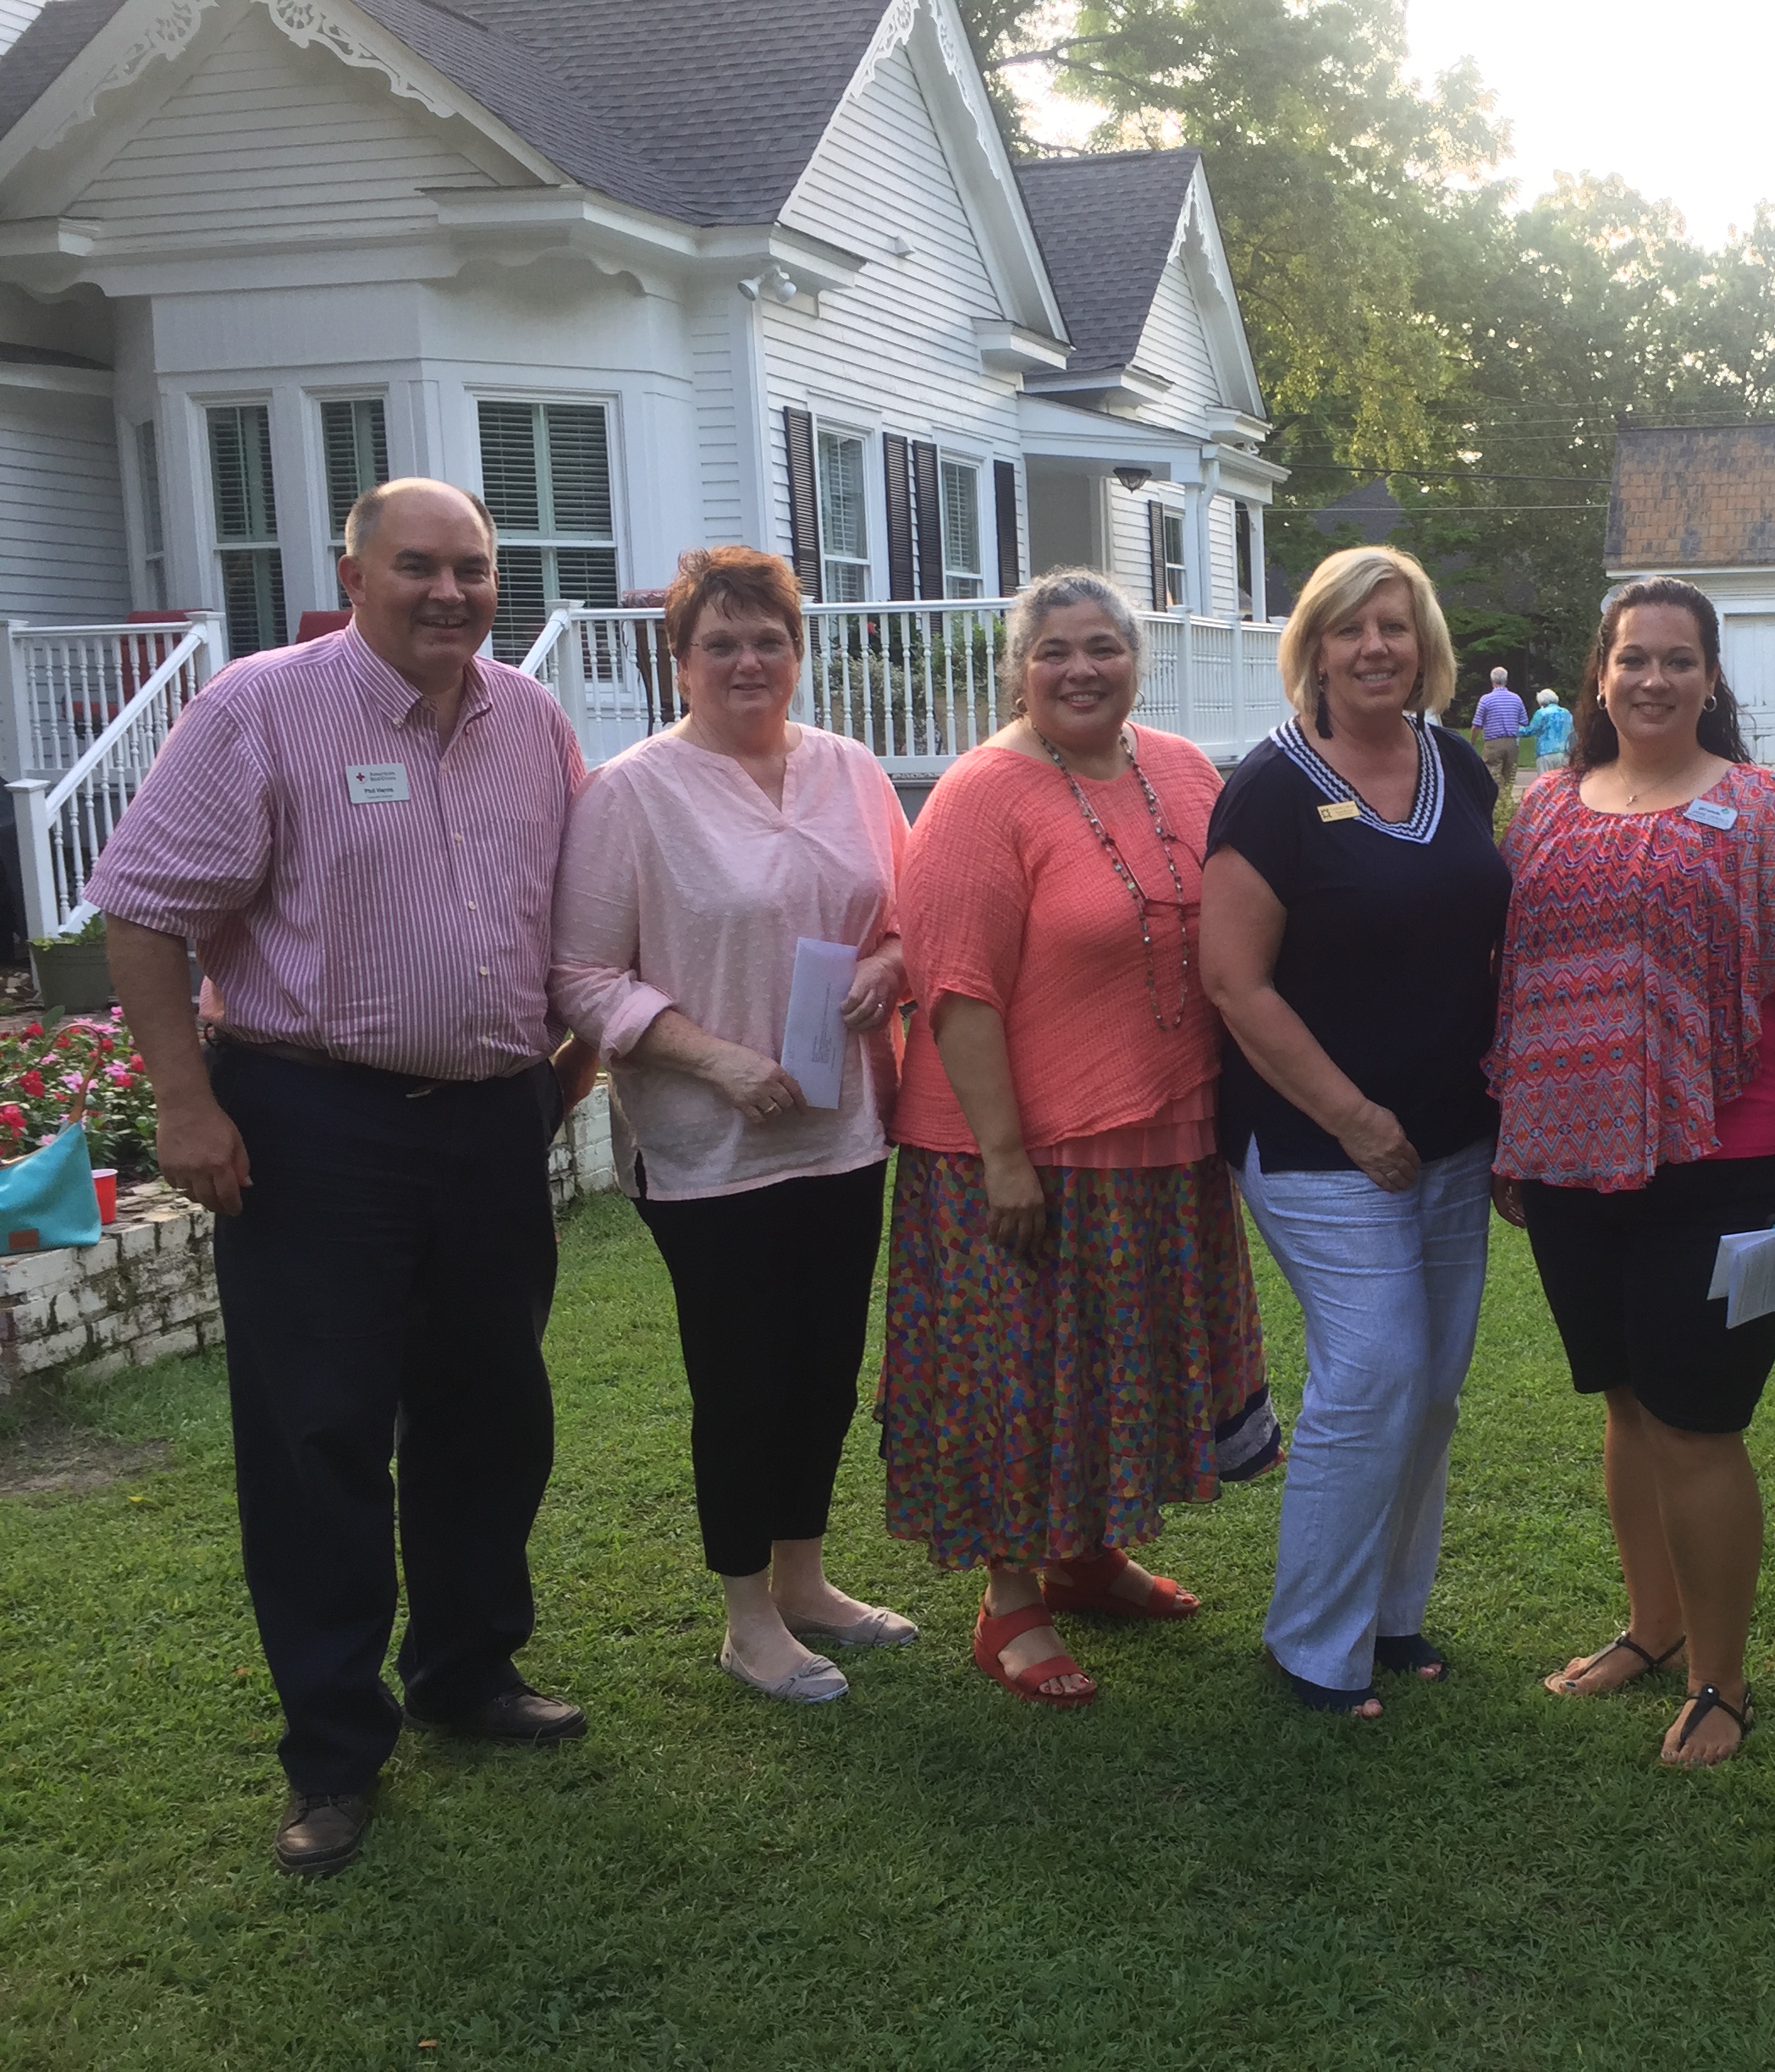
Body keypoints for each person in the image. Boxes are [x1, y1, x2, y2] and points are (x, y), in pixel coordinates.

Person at [89, 478, 598, 1877]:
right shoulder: (262, 707)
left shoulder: (530, 721)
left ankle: (465, 1666)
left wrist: (568, 1046)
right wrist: (184, 1104)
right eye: (419, 566)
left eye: (474, 569)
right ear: (353, 573)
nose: (451, 592)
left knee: (491, 1403)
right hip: (316, 1121)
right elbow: (142, 909)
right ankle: (330, 1748)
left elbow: (563, 902)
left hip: (491, 1121)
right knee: (318, 1433)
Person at [1486, 576, 1775, 1767]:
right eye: (1634, 657)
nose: (1654, 679)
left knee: (1698, 1424)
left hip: (1727, 1163)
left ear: (1711, 678)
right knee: (1627, 1403)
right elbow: (1511, 974)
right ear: (1599, 674)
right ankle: (1650, 1630)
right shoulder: (1541, 809)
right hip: (1568, 1164)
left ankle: (1721, 1680)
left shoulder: (1765, 808)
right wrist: (1511, 1121)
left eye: (1679, 659)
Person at [883, 568, 1265, 1708]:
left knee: (1116, 1364)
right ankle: (1009, 1608)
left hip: (1161, 1133)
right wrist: (1004, 1158)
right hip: (1019, 1151)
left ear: (1136, 659)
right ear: (1017, 668)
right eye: (1053, 652)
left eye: (1102, 646)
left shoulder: (1187, 770)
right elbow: (951, 989)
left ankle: (1087, 1556)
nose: (1080, 669)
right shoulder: (980, 794)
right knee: (1023, 1371)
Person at [551, 547, 915, 1706]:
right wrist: (712, 1060)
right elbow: (581, 975)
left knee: (823, 1368)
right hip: (712, 1148)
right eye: (722, 641)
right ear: (681, 662)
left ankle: (807, 1581)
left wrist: (889, 971)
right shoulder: (631, 794)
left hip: (843, 1125)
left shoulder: (853, 770)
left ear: (798, 654)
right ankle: (747, 1617)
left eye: (770, 639)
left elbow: (911, 917)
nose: (749, 660)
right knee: (744, 1378)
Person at [1203, 544, 1510, 1718]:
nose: (1375, 647)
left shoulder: (1456, 766)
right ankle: (1309, 1645)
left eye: (1395, 625)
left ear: (1425, 644)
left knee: (1429, 1386)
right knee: (1372, 1373)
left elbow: (1484, 940)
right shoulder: (1273, 788)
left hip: (1451, 1136)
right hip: (1319, 1142)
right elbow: (1235, 983)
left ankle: (1389, 1617)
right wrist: (1355, 1114)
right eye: (1349, 629)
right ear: (1314, 650)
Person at [1471, 666, 1527, 795]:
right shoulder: (1516, 699)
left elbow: (1477, 725)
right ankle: (1506, 803)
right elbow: (1523, 722)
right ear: (1506, 681)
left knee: (1492, 778)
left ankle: (1495, 807)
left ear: (1492, 681)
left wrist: (1472, 742)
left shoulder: (1486, 700)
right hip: (1512, 744)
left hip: (1493, 744)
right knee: (1509, 779)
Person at [1530, 687, 1574, 773]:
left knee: (1545, 782)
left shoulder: (1541, 713)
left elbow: (1531, 730)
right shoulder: (1566, 712)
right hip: (1564, 752)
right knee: (1563, 781)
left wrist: (1516, 730)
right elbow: (1572, 731)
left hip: (1545, 752)